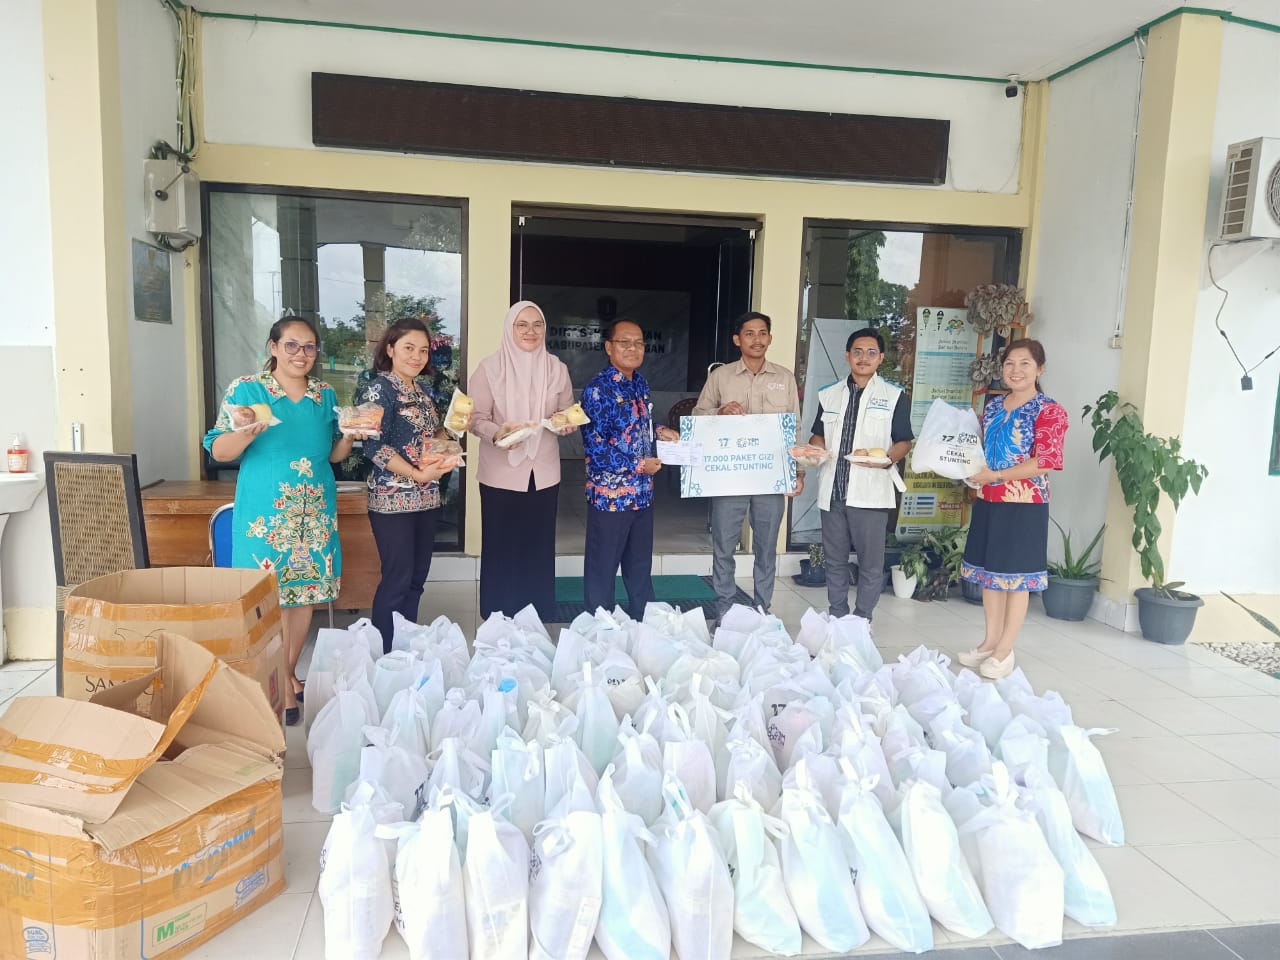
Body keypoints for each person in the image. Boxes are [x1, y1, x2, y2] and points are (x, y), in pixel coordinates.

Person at [204, 316, 361, 725]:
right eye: (291, 345)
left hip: (314, 508)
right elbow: (218, 450)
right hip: (266, 513)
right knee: (271, 598)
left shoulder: (325, 395)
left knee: (305, 594)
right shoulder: (248, 390)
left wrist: (348, 436)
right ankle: (279, 686)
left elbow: (332, 454)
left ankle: (287, 674)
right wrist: (248, 432)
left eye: (309, 347)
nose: (301, 354)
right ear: (274, 347)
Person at [958, 339, 1068, 680]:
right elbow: (981, 450)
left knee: (1016, 580)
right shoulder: (993, 407)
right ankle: (990, 641)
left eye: (1024, 363)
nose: (1015, 370)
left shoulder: (1049, 410)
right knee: (991, 576)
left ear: (1040, 369)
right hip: (989, 500)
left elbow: (1046, 461)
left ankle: (1005, 650)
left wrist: (997, 476)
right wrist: (972, 473)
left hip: (1024, 504)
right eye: (1009, 363)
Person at [356, 317, 459, 653]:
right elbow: (373, 446)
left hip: (426, 497)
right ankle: (385, 654)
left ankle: (406, 648)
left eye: (423, 350)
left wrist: (453, 428)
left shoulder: (422, 391)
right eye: (409, 348)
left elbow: (429, 438)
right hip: (392, 499)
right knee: (397, 579)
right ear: (390, 349)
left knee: (416, 579)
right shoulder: (378, 389)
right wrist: (416, 475)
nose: (417, 356)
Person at [469, 301, 577, 621]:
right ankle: (498, 616)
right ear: (509, 329)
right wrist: (497, 432)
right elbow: (475, 418)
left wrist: (566, 422)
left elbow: (566, 410)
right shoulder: (489, 368)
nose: (531, 331)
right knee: (501, 545)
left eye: (537, 324)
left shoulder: (557, 368)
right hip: (500, 473)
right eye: (522, 325)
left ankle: (537, 615)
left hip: (543, 471)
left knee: (538, 546)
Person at [692, 311, 802, 618]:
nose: (757, 339)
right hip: (730, 477)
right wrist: (720, 412)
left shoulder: (784, 378)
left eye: (762, 333)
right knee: (724, 547)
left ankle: (762, 609)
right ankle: (725, 611)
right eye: (749, 333)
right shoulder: (721, 377)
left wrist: (798, 471)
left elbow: (795, 426)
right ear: (737, 340)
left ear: (770, 338)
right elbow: (698, 417)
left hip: (770, 477)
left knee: (766, 549)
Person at [806, 327, 913, 621]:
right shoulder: (829, 395)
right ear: (847, 356)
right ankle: (838, 617)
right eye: (857, 352)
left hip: (871, 493)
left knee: (870, 564)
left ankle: (863, 619)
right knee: (835, 561)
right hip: (833, 492)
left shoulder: (894, 396)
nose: (863, 358)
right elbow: (819, 435)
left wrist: (886, 459)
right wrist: (813, 451)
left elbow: (904, 441)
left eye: (871, 353)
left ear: (881, 358)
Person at [580, 318, 679, 617]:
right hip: (610, 499)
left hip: (642, 494)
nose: (632, 348)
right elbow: (595, 447)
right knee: (603, 568)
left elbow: (638, 425)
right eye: (624, 342)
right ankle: (600, 627)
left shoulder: (640, 382)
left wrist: (660, 431)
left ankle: (643, 622)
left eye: (638, 343)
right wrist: (638, 465)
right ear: (609, 347)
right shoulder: (598, 390)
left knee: (639, 567)